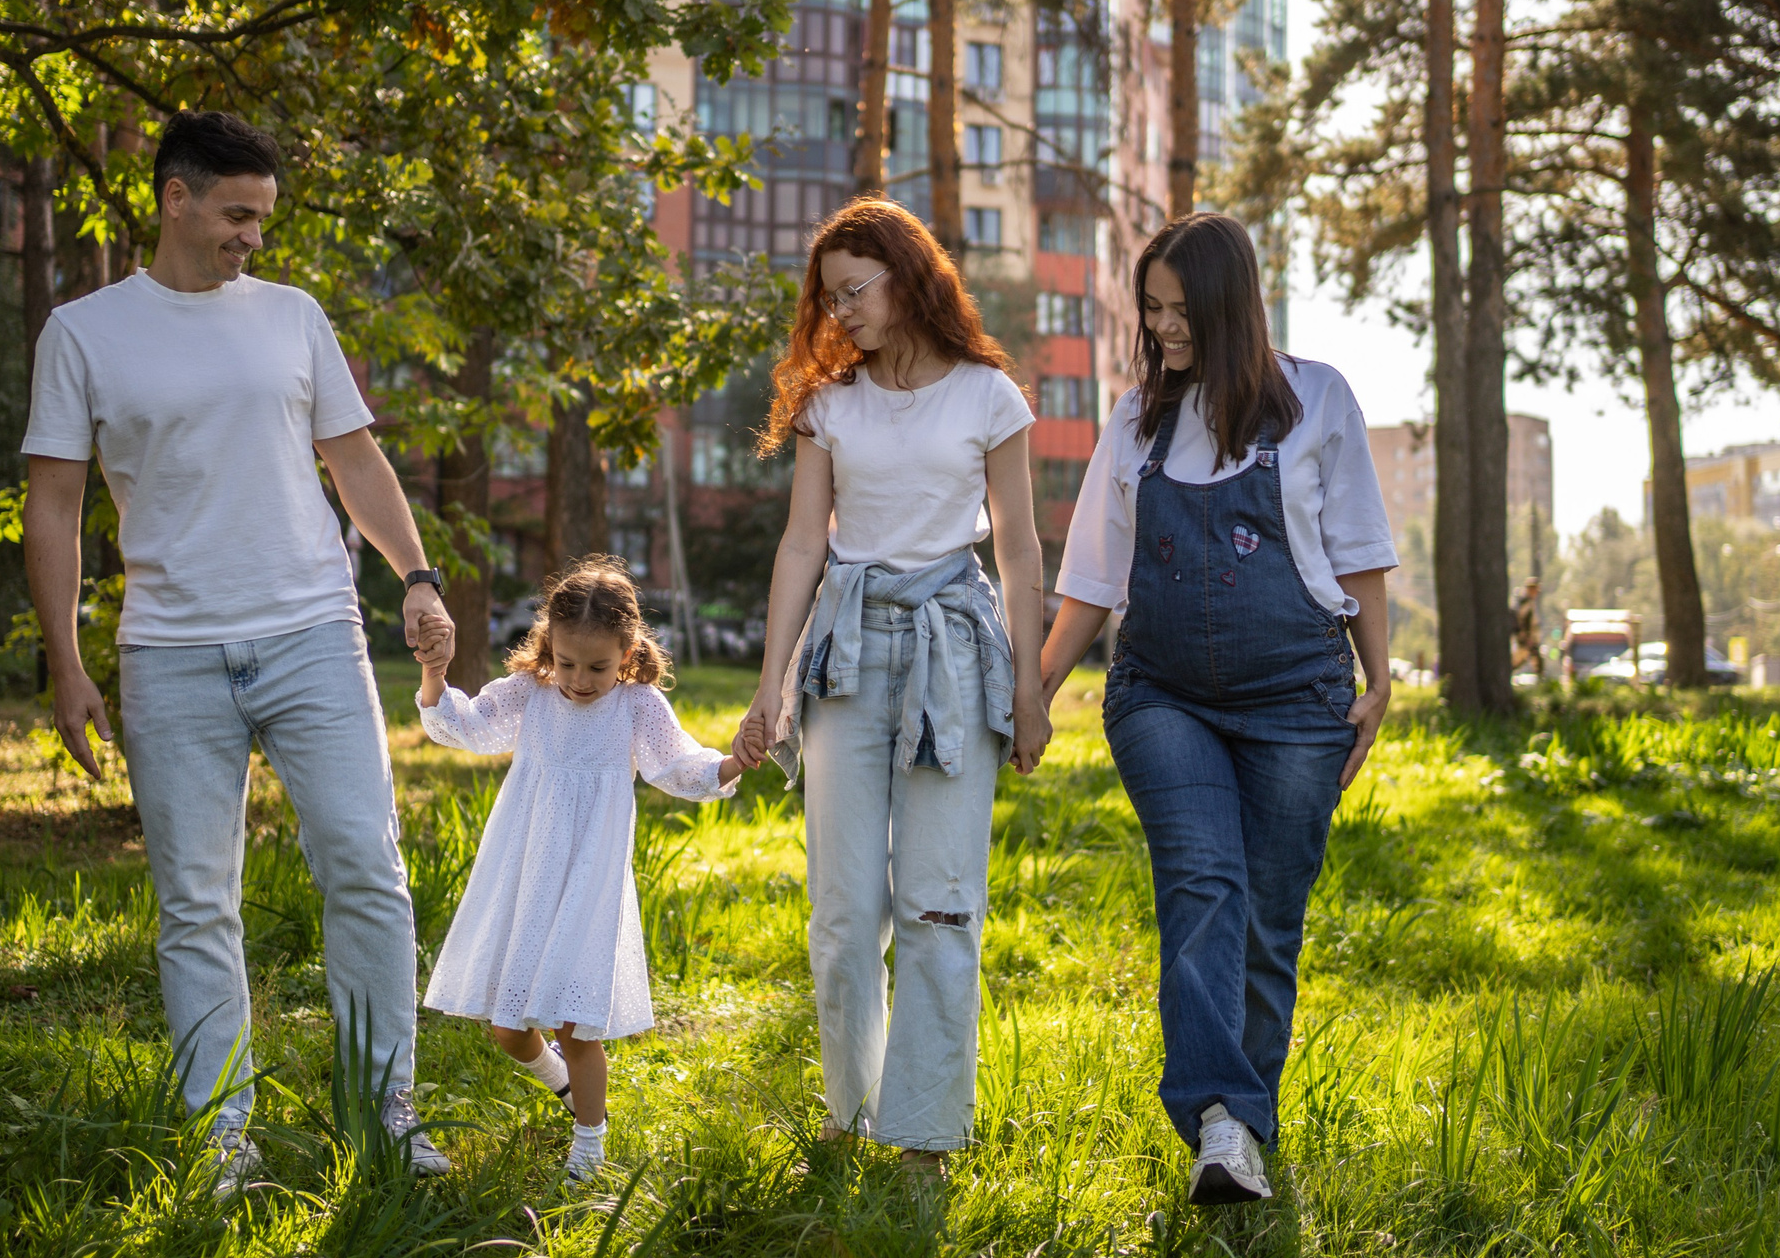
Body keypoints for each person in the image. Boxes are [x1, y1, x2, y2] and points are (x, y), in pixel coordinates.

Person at [20, 110, 457, 1192]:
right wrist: (66, 662)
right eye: (236, 214)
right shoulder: (83, 333)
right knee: (195, 904)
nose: (252, 237)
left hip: (313, 634)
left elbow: (355, 463)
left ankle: (385, 1117)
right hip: (169, 653)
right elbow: (54, 506)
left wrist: (415, 576)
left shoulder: (293, 316)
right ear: (175, 198)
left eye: (262, 218)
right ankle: (222, 1142)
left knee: (367, 871)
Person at [1038, 213, 1395, 1205]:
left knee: (1268, 924)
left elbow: (1359, 551)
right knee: (1203, 886)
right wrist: (1035, 696)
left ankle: (1239, 1137)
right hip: (1161, 696)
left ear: (1231, 303)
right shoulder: (1135, 420)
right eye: (1151, 309)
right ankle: (1217, 1117)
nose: (1162, 329)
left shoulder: (1317, 399)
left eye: (1180, 310)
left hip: (1299, 699)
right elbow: (1092, 579)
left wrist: (1378, 682)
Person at [740, 198, 1053, 1173]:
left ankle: (924, 1135)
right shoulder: (830, 406)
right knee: (842, 914)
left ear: (907, 277)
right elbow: (803, 544)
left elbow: (1019, 547)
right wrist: (769, 686)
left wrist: (1031, 690)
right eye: (829, 299)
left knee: (938, 903)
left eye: (854, 292)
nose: (839, 314)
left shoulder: (989, 397)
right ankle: (850, 1110)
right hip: (847, 654)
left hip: (952, 652)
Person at [413, 560, 764, 1182]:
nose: (579, 680)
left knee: (576, 1027)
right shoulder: (530, 693)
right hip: (525, 873)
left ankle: (589, 1148)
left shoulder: (636, 705)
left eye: (598, 667)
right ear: (549, 645)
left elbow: (678, 766)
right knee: (507, 1028)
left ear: (627, 653)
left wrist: (733, 763)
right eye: (568, 662)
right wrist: (434, 674)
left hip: (588, 881)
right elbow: (465, 728)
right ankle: (562, 1085)